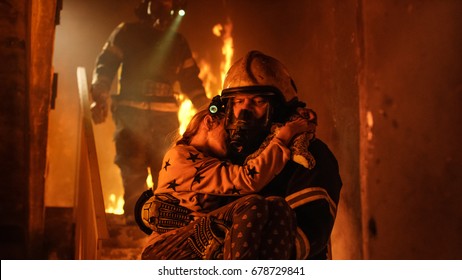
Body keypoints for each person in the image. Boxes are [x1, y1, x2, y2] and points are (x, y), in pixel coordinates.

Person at [139, 97, 314, 259]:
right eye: (227, 130)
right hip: (166, 250)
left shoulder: (212, 160)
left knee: (278, 206)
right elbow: (248, 179)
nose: (232, 137)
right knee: (252, 205)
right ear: (209, 121)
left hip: (198, 244)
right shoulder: (180, 156)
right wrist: (285, 134)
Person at [89, 0, 209, 222]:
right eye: (157, 2)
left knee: (165, 171)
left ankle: (161, 224)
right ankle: (136, 223)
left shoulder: (177, 42)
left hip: (164, 119)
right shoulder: (127, 32)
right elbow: (105, 65)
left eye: (166, 2)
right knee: (132, 169)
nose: (162, 7)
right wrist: (100, 95)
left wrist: (208, 108)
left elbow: (191, 81)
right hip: (131, 115)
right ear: (145, 5)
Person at [219, 50, 343, 259]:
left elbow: (305, 235)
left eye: (258, 102)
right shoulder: (226, 153)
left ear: (281, 108)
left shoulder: (310, 157)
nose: (244, 113)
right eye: (238, 102)